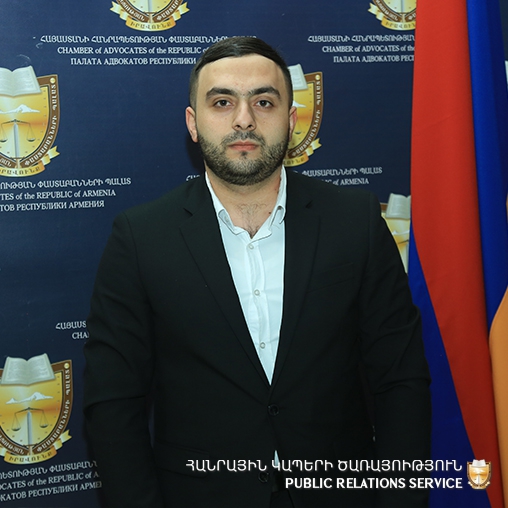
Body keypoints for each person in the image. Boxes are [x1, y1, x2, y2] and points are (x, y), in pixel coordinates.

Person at [84, 36, 431, 508]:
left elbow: (400, 380)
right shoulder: (140, 237)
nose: (244, 119)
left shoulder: (356, 221)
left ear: (292, 121)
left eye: (263, 102)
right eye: (222, 102)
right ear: (193, 123)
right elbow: (112, 404)